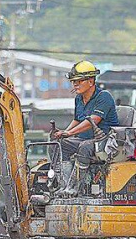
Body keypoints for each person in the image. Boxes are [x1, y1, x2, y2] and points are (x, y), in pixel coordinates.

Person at [50, 61, 119, 194]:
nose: (75, 84)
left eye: (79, 81)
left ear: (91, 81)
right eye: (73, 81)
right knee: (58, 144)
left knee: (85, 147)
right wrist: (64, 133)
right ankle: (63, 185)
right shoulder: (79, 99)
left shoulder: (104, 97)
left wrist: (70, 133)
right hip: (84, 140)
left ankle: (76, 187)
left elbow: (92, 120)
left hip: (104, 141)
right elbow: (77, 119)